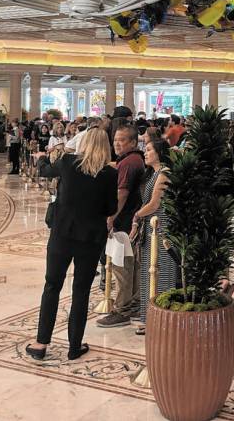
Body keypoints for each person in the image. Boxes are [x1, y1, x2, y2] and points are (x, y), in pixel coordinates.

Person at [26, 129, 117, 361]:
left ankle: (40, 343)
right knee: (81, 291)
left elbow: (45, 171)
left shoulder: (68, 162)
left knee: (52, 286)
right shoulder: (108, 173)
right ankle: (74, 346)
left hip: (62, 234)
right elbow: (110, 208)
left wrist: (44, 157)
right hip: (91, 237)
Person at [97, 125, 146, 328]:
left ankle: (123, 309)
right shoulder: (133, 160)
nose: (117, 143)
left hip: (124, 222)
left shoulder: (128, 163)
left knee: (122, 266)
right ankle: (132, 304)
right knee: (129, 265)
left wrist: (110, 217)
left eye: (122, 140)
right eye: (115, 139)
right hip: (129, 221)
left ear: (133, 142)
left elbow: (122, 193)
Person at [131, 138, 176, 334]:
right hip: (152, 226)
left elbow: (155, 204)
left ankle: (161, 318)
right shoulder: (154, 173)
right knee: (150, 270)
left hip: (161, 226)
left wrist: (136, 215)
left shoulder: (164, 173)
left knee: (161, 270)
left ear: (159, 152)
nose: (145, 153)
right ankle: (149, 316)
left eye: (149, 150)